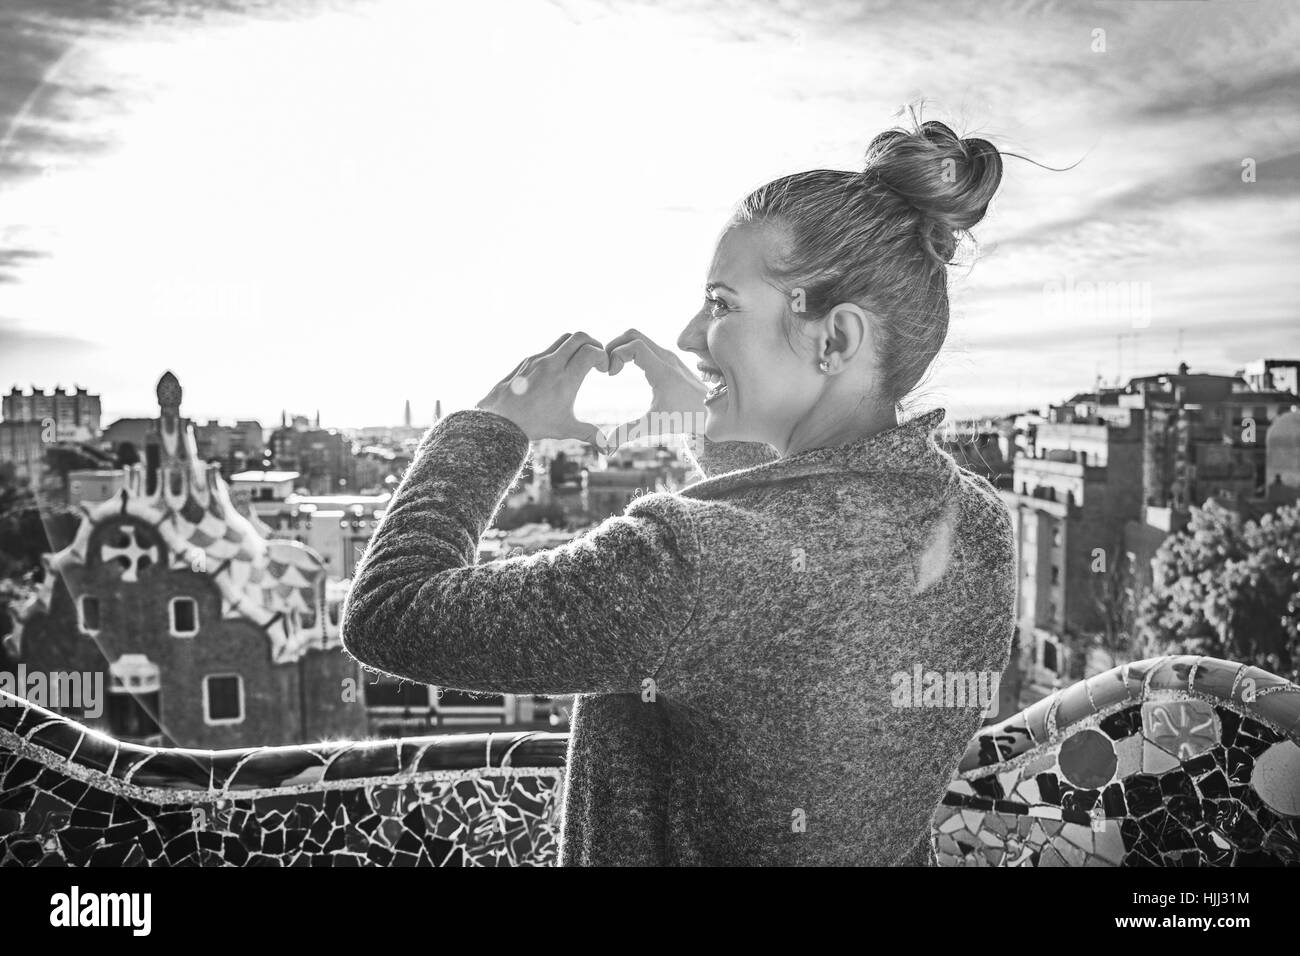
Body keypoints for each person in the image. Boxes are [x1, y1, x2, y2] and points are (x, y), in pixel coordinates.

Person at [341, 118, 1017, 866]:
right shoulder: (980, 523)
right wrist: (713, 427)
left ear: (835, 339)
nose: (692, 335)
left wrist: (491, 429)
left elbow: (388, 612)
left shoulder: (686, 562)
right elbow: (804, 563)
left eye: (722, 304)